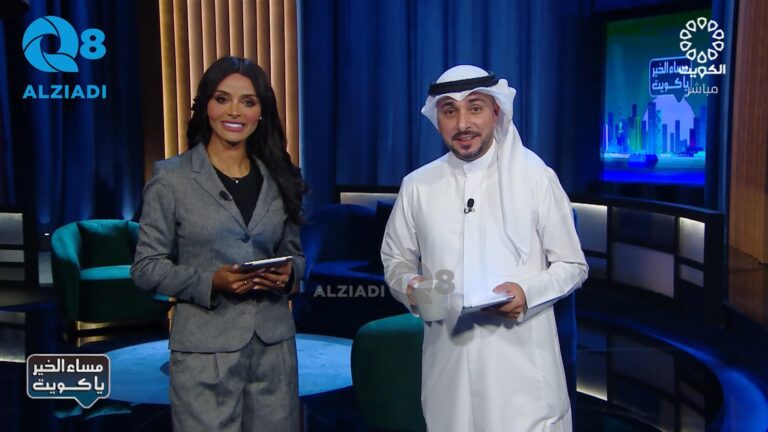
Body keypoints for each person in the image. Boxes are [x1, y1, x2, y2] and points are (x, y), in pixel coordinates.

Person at [381, 65, 588, 431]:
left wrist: (527, 293)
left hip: (523, 379)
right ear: (437, 119)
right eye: (450, 111)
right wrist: (411, 286)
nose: (463, 124)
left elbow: (573, 265)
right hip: (448, 373)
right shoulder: (417, 186)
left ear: (495, 110)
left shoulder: (535, 177)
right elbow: (395, 258)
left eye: (475, 108)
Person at [131, 56, 306, 432]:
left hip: (274, 350)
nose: (234, 111)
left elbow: (295, 254)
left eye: (248, 101)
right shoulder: (171, 179)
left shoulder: (281, 177)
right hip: (203, 352)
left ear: (261, 112)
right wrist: (210, 281)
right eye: (222, 99)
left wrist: (289, 274)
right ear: (206, 106)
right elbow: (146, 267)